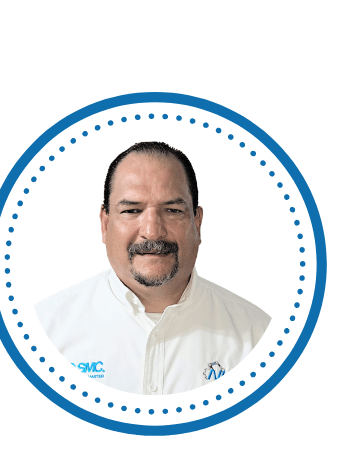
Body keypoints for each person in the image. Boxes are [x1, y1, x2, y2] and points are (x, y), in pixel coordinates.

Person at [35, 142, 271, 395]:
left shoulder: (258, 337)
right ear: (105, 224)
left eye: (172, 210)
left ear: (197, 222)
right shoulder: (43, 332)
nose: (152, 231)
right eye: (131, 210)